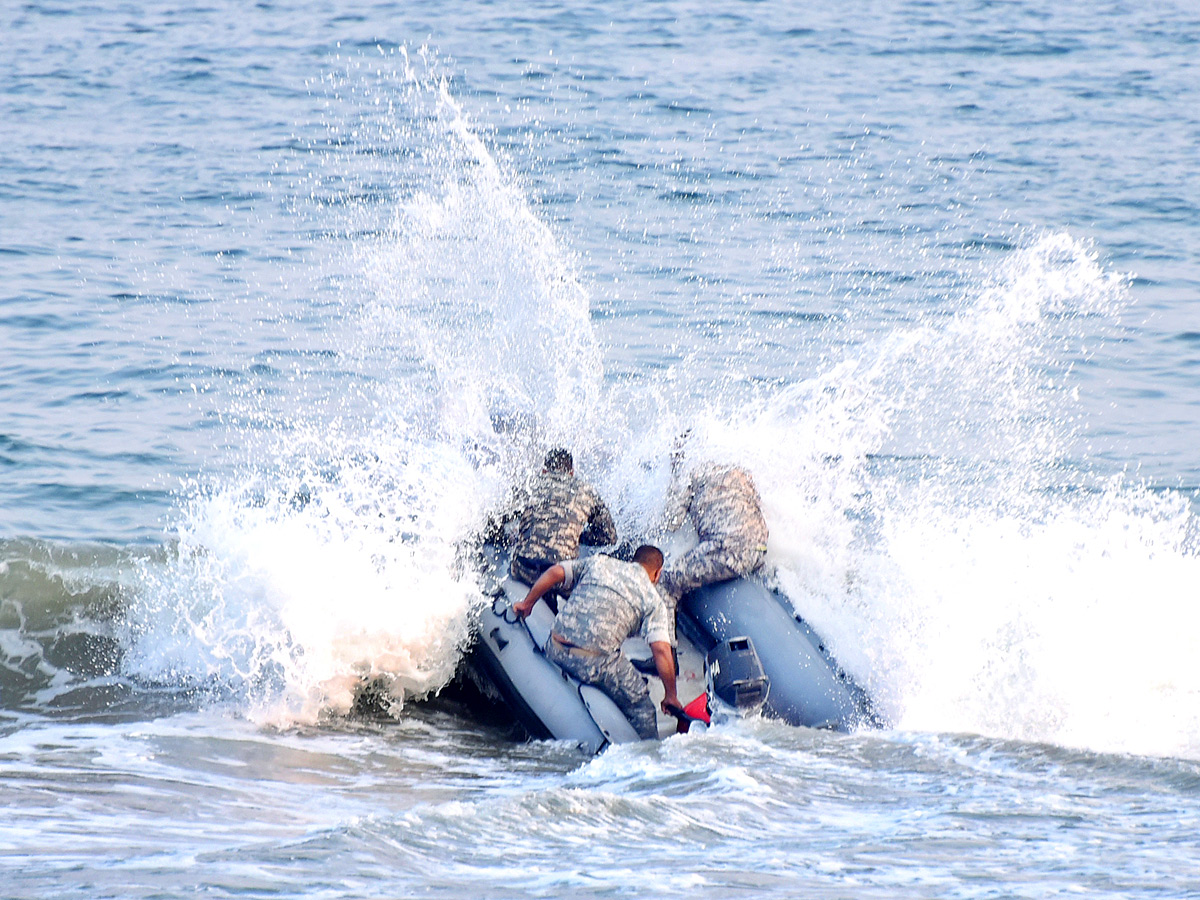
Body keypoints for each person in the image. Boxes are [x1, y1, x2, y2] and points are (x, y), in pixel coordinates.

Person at [512, 545, 681, 740]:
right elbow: (661, 650)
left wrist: (527, 603)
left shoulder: (599, 562)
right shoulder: (653, 599)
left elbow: (555, 571)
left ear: (633, 561)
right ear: (657, 574)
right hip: (592, 664)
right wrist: (671, 695)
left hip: (555, 646)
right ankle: (647, 757)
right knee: (641, 704)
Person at [657, 460, 769, 616]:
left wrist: (673, 486)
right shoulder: (737, 471)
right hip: (760, 547)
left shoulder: (690, 477)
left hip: (728, 550)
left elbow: (672, 523)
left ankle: (665, 638)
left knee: (666, 580)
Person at [508, 448, 618, 586]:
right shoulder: (587, 491)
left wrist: (510, 537)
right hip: (560, 576)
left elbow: (499, 519)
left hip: (524, 570)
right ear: (571, 473)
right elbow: (609, 537)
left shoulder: (530, 484)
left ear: (544, 471)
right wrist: (578, 537)